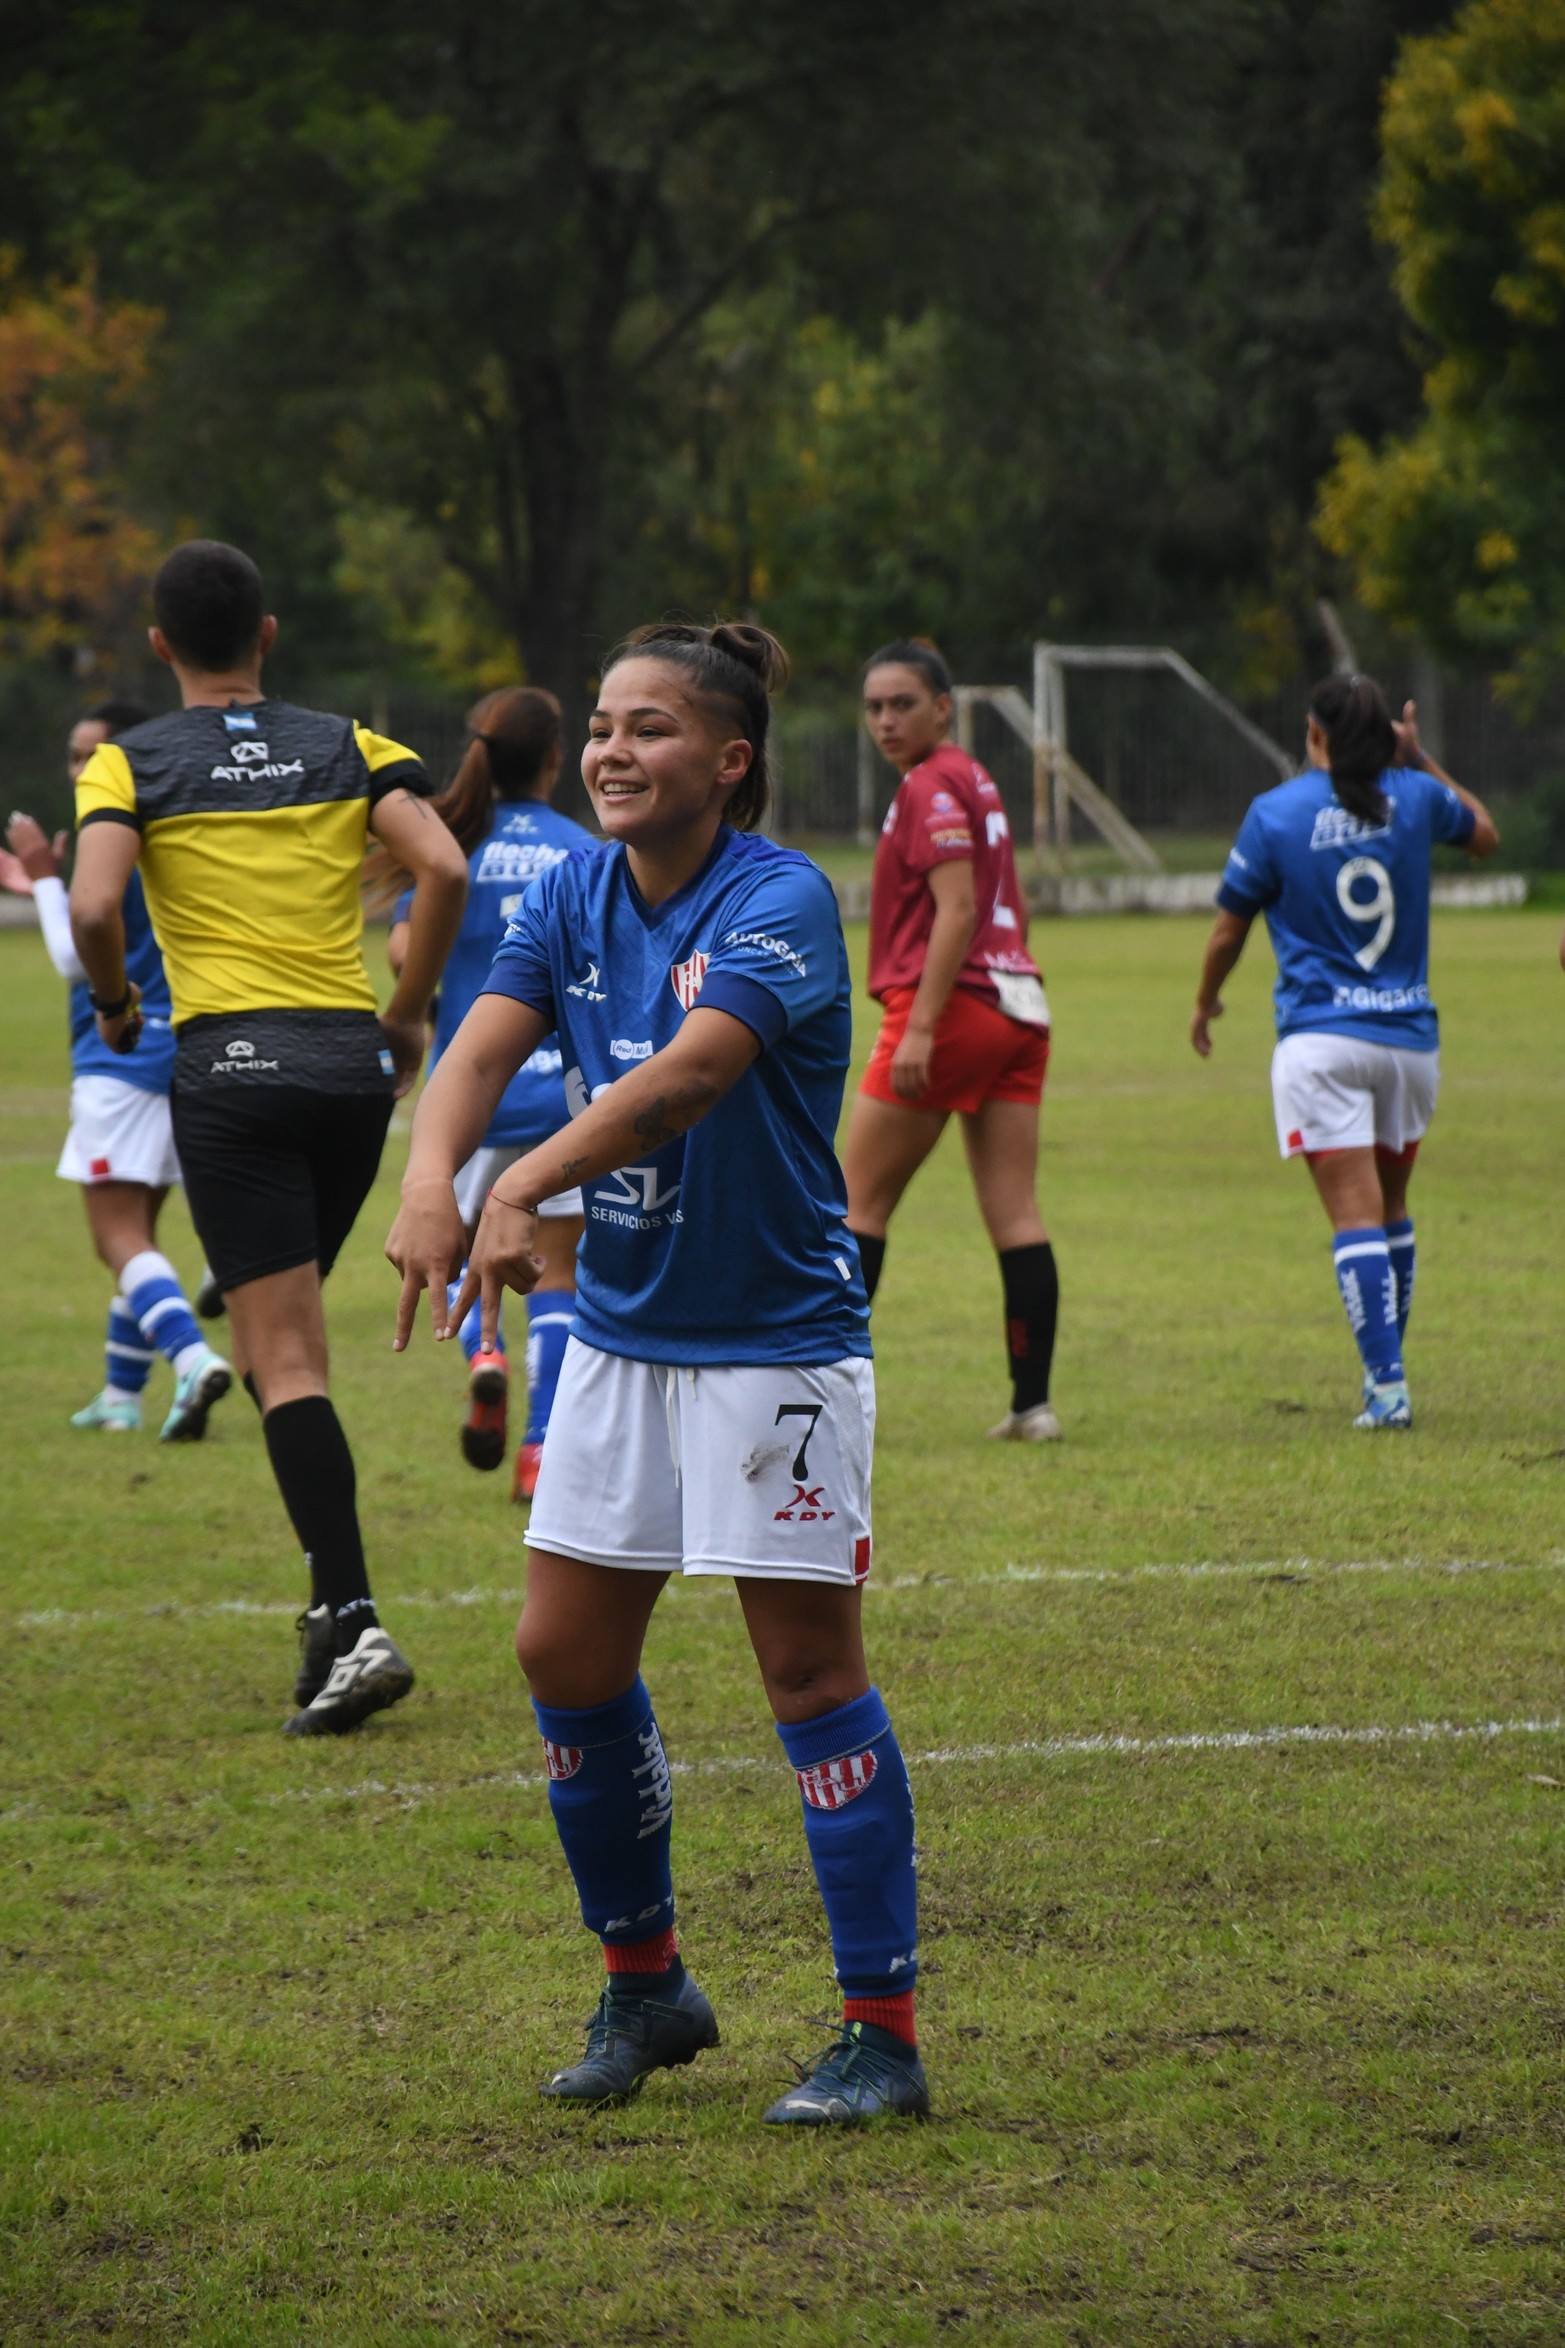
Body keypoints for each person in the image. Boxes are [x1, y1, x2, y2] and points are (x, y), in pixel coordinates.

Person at [386, 621, 927, 2126]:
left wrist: (518, 1188)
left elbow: (684, 1081)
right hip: (622, 1342)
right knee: (563, 1655)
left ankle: (880, 2034)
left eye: (654, 730)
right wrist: (436, 1173)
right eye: (606, 727)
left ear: (730, 762)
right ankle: (648, 1988)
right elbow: (480, 1051)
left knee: (808, 1675)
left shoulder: (781, 897)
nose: (617, 751)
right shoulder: (568, 891)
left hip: (776, 1347)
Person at [70, 540, 468, 1732]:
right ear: (269, 633)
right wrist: (405, 1017)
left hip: (230, 1072)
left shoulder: (130, 760)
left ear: (158, 645)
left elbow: (94, 903)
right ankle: (325, 1615)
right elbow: (440, 861)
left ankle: (353, 1620)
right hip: (347, 1069)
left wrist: (113, 1000)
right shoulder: (351, 743)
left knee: (283, 1363)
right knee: (275, 1349)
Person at [1191, 674, 1498, 1428]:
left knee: (1353, 1215)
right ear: (1389, 736)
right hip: (1408, 1041)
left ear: (1315, 733)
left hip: (1320, 1041)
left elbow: (1228, 930)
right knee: (1391, 1207)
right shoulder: (1416, 796)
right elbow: (1484, 834)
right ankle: (1384, 1375)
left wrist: (1204, 1001)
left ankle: (1387, 1389)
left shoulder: (1275, 813)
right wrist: (1421, 760)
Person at [843, 638, 1061, 1441]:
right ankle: (1030, 1406)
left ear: (943, 706)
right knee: (1014, 1212)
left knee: (854, 1204)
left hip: (954, 1005)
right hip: (1018, 1006)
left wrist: (922, 1024)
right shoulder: (972, 776)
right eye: (873, 706)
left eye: (902, 703)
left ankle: (825, 1394)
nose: (885, 720)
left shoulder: (930, 786)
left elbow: (958, 909)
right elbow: (1008, 902)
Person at [381, 687, 588, 1499]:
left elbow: (404, 953)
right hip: (562, 1098)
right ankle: (541, 1452)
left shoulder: (451, 848)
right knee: (559, 1276)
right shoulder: (583, 851)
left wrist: (444, 999)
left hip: (475, 1100)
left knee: (465, 1258)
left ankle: (485, 1356)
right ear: (554, 758)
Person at [3, 705, 230, 1438]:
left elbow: (77, 960)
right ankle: (121, 1394)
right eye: (72, 756)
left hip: (120, 1055)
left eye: (89, 756)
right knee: (142, 1234)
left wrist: (41, 877)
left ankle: (192, 1359)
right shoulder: (173, 829)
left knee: (117, 1238)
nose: (77, 771)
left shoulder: (111, 837)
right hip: (184, 1051)